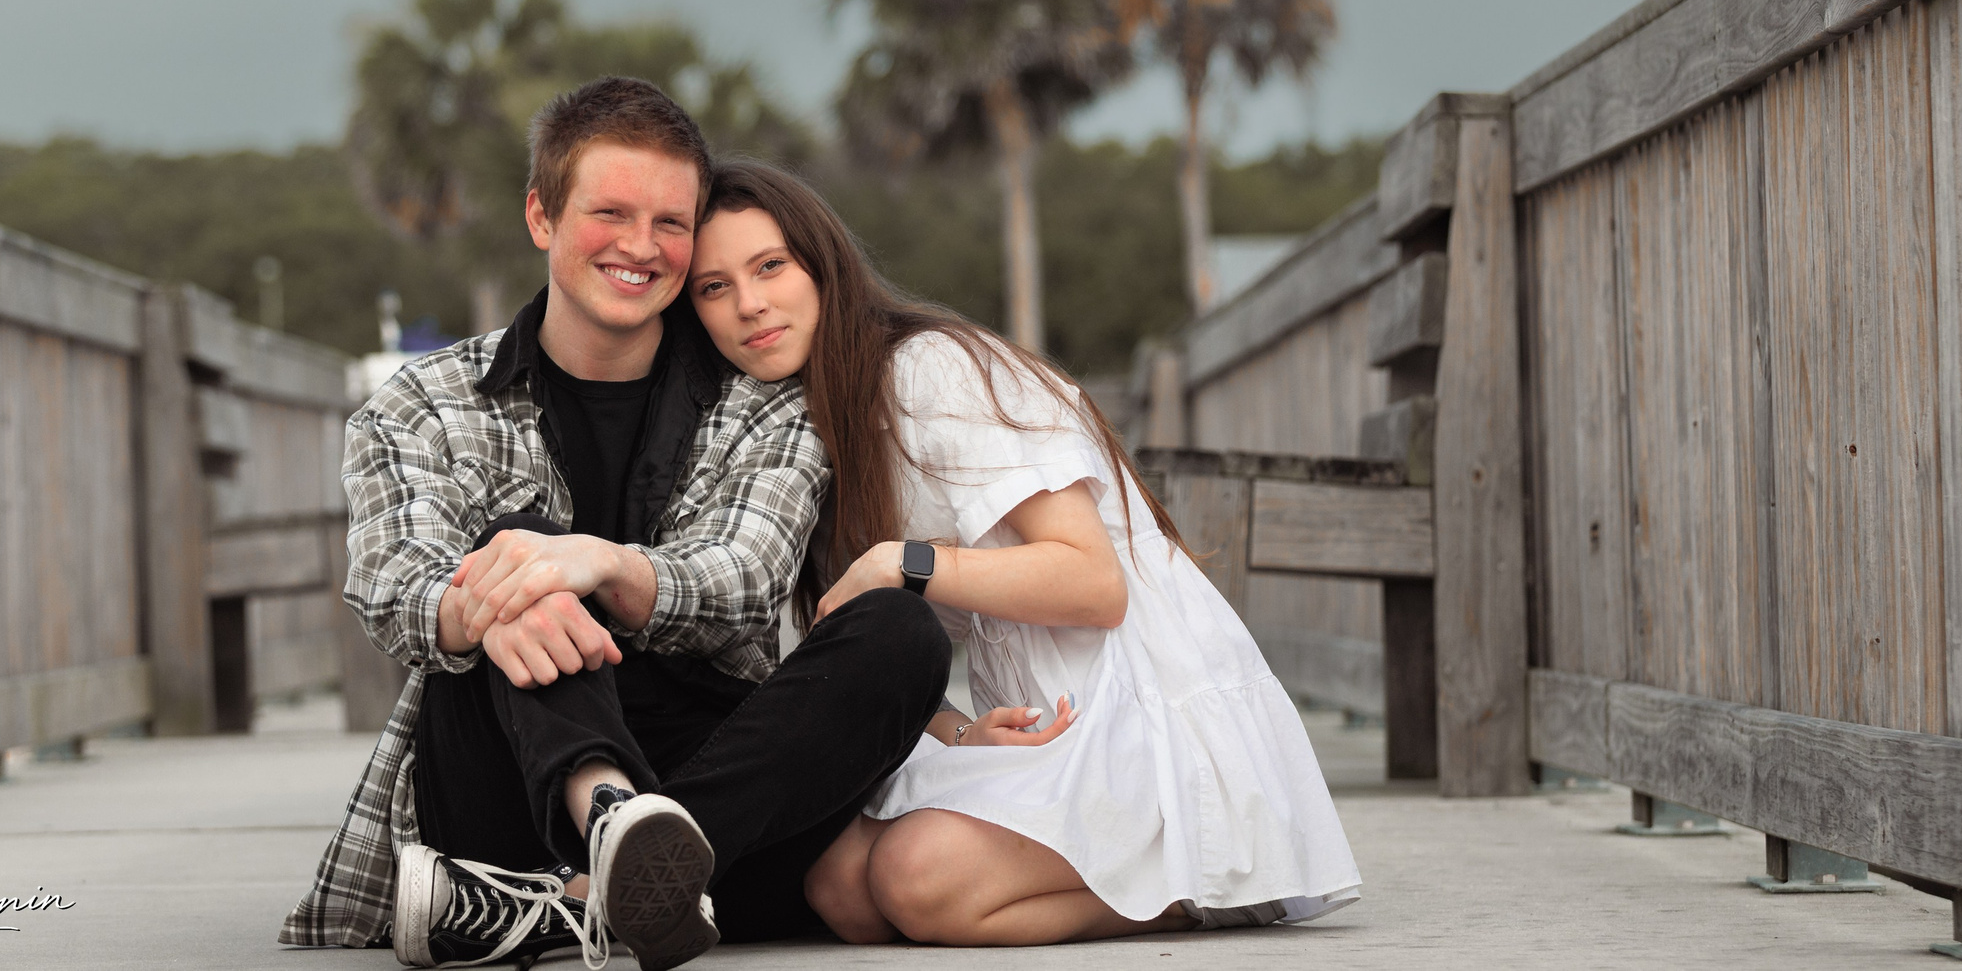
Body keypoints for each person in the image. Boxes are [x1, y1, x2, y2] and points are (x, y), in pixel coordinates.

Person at [280, 79, 952, 970]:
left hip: (713, 799)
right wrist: (505, 588)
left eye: (671, 223)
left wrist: (599, 565)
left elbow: (745, 578)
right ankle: (606, 821)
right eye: (611, 213)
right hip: (497, 792)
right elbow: (391, 586)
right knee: (512, 554)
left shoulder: (763, 406)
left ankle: (586, 901)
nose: (642, 247)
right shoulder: (421, 404)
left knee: (902, 630)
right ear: (541, 217)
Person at [686, 159, 1363, 947]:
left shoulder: (931, 369)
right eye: (714, 287)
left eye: (771, 266)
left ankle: (1205, 876)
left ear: (824, 264)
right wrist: (960, 732)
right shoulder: (801, 434)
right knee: (840, 886)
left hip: (1137, 709)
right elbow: (874, 665)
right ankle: (1148, 872)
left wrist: (900, 561)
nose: (750, 304)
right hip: (1039, 720)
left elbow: (1092, 582)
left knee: (917, 877)